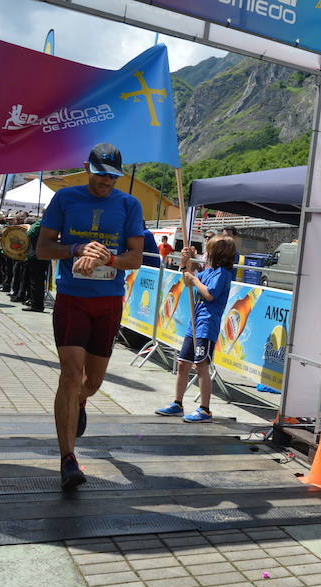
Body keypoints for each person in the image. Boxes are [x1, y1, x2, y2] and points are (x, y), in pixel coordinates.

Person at [36, 143, 144, 490]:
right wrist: (76, 249)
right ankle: (68, 459)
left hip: (108, 302)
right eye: (100, 174)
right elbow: (42, 249)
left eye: (113, 177)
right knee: (70, 374)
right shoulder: (65, 200)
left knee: (92, 382)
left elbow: (136, 258)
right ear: (87, 167)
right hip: (72, 299)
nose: (106, 182)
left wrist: (107, 259)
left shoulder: (129, 204)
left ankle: (81, 401)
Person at [154, 236, 236, 422]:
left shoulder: (223, 273)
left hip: (206, 325)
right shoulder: (209, 271)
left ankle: (205, 409)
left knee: (201, 366)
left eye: (209, 250)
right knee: (183, 363)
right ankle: (177, 403)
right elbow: (188, 282)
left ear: (217, 254)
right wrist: (185, 263)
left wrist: (193, 278)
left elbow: (209, 294)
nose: (206, 254)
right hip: (194, 322)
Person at [22, 216, 48, 312]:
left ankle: (36, 305)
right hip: (44, 255)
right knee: (39, 282)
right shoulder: (50, 223)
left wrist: (30, 226)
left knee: (35, 282)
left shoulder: (41, 222)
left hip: (36, 255)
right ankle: (37, 304)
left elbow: (29, 233)